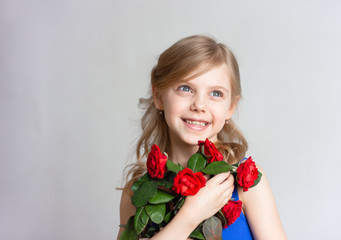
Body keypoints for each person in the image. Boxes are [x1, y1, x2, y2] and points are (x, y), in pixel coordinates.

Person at [117, 35, 286, 240]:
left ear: (230, 107)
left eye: (215, 93)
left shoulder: (246, 183)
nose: (199, 105)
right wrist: (190, 216)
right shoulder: (137, 192)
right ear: (159, 96)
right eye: (185, 89)